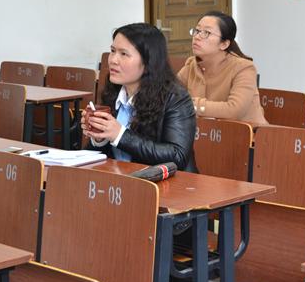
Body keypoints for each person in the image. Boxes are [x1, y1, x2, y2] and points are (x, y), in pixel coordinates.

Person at [82, 23, 197, 171]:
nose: (113, 60)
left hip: (165, 182)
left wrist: (120, 135)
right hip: (121, 178)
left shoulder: (176, 98)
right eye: (112, 51)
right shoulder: (113, 90)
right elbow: (104, 156)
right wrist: (100, 138)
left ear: (148, 62)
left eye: (124, 54)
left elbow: (177, 156)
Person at [177, 11, 268, 127]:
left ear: (224, 44)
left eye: (206, 33)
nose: (197, 37)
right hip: (207, 132)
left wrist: (191, 105)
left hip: (247, 134)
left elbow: (234, 110)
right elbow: (167, 97)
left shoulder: (244, 68)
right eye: (197, 31)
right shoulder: (191, 66)